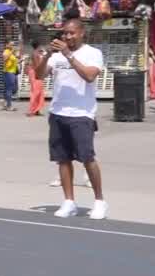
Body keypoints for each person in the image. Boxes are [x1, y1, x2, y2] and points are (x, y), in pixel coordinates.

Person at [34, 17, 107, 220]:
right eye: (65, 33)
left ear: (82, 33)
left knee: (87, 158)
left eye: (71, 33)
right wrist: (48, 54)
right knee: (63, 159)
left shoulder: (93, 53)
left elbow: (90, 76)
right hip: (58, 113)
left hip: (82, 114)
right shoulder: (56, 57)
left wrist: (68, 55)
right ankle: (69, 201)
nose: (67, 36)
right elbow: (39, 75)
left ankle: (100, 201)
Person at [26, 41, 46, 116]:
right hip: (36, 73)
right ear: (39, 46)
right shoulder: (35, 54)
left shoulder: (37, 53)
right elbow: (37, 65)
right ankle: (31, 110)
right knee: (35, 92)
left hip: (36, 72)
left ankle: (37, 109)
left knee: (39, 92)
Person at [0, 42, 20, 111]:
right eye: (11, 44)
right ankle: (9, 106)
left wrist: (20, 60)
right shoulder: (6, 51)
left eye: (13, 44)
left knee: (14, 89)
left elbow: (14, 62)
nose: (13, 45)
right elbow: (5, 59)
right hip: (8, 72)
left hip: (13, 72)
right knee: (9, 89)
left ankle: (4, 100)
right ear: (6, 45)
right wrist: (12, 52)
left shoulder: (11, 53)